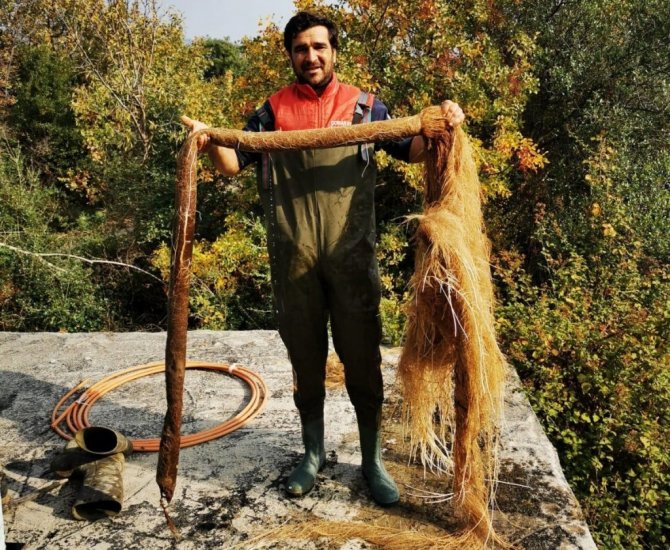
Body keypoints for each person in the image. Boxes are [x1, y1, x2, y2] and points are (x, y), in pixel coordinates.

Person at [181, 11, 464, 506]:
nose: (310, 57)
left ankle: (372, 461)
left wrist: (443, 120)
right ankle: (311, 455)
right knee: (306, 363)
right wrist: (208, 139)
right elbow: (231, 163)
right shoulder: (272, 112)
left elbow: (414, 149)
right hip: (294, 268)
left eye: (318, 47)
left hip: (353, 265)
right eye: (300, 49)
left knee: (363, 362)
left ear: (333, 52)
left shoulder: (364, 107)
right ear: (290, 55)